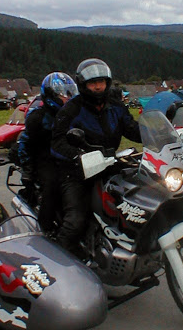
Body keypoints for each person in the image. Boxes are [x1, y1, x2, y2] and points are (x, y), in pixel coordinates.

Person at [51, 58, 141, 254]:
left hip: (108, 164)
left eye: (101, 82)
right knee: (76, 221)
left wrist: (158, 134)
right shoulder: (72, 109)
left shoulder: (116, 106)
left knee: (138, 199)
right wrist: (78, 156)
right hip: (77, 172)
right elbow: (57, 142)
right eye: (93, 83)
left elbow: (132, 129)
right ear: (83, 85)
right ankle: (59, 264)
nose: (98, 87)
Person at [18, 72, 78, 234]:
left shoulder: (71, 115)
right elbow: (25, 143)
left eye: (70, 93)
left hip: (64, 156)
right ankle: (45, 228)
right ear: (51, 95)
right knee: (52, 184)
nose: (68, 98)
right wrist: (27, 172)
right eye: (64, 94)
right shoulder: (37, 117)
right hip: (44, 158)